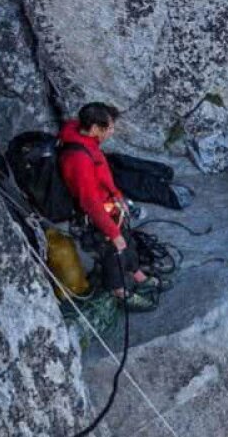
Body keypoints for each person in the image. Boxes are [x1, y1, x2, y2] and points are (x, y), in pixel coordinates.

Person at [58, 102, 159, 311]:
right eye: (109, 128)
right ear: (95, 128)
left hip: (110, 205)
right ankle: (120, 292)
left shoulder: (82, 134)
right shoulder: (78, 159)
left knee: (127, 240)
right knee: (113, 250)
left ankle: (137, 274)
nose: (112, 131)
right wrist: (112, 232)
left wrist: (117, 199)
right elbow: (89, 201)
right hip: (97, 214)